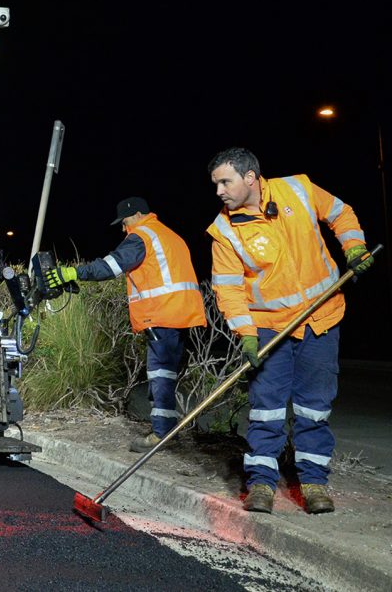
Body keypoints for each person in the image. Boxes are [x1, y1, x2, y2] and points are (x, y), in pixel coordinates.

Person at [206, 147, 373, 515]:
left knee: (315, 406)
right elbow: (229, 290)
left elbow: (341, 214)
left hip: (321, 318)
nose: (219, 190)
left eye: (224, 181)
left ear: (250, 177)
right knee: (267, 409)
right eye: (216, 183)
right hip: (270, 328)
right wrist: (246, 333)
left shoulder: (298, 189)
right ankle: (261, 485)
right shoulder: (224, 231)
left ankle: (313, 482)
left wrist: (355, 246)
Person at [47, 197, 207, 452]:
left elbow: (111, 266)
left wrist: (73, 272)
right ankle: (167, 429)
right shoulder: (170, 235)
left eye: (123, 223)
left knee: (160, 373)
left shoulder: (141, 236)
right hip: (182, 313)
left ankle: (162, 434)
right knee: (166, 373)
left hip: (162, 313)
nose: (123, 229)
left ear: (135, 215)